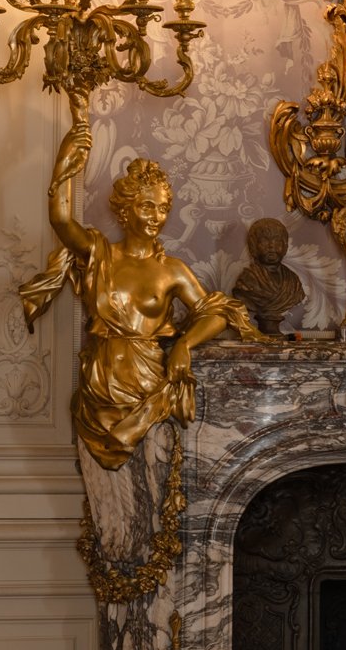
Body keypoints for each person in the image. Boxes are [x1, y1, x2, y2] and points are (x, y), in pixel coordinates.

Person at [20, 118, 261, 470]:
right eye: (147, 206)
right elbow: (61, 222)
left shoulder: (172, 270)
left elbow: (215, 313)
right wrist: (64, 163)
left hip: (148, 386)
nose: (157, 217)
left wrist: (184, 345)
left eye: (163, 208)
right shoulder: (100, 253)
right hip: (99, 386)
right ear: (125, 208)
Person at [233, 217, 305, 336]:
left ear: (285, 245)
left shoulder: (294, 282)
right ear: (254, 245)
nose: (272, 245)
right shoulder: (246, 280)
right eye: (265, 240)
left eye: (277, 240)